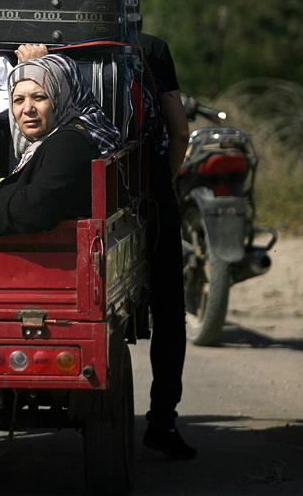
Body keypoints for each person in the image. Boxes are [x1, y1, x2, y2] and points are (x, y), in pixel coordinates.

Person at [0, 53, 121, 234]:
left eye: (39, 97)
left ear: (59, 98)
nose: (27, 109)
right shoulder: (44, 142)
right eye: (18, 100)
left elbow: (37, 206)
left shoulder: (69, 142)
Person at [138, 32, 196, 460]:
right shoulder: (149, 47)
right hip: (150, 195)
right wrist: (164, 181)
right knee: (169, 313)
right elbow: (180, 133)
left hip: (65, 188)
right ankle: (162, 421)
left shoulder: (37, 44)